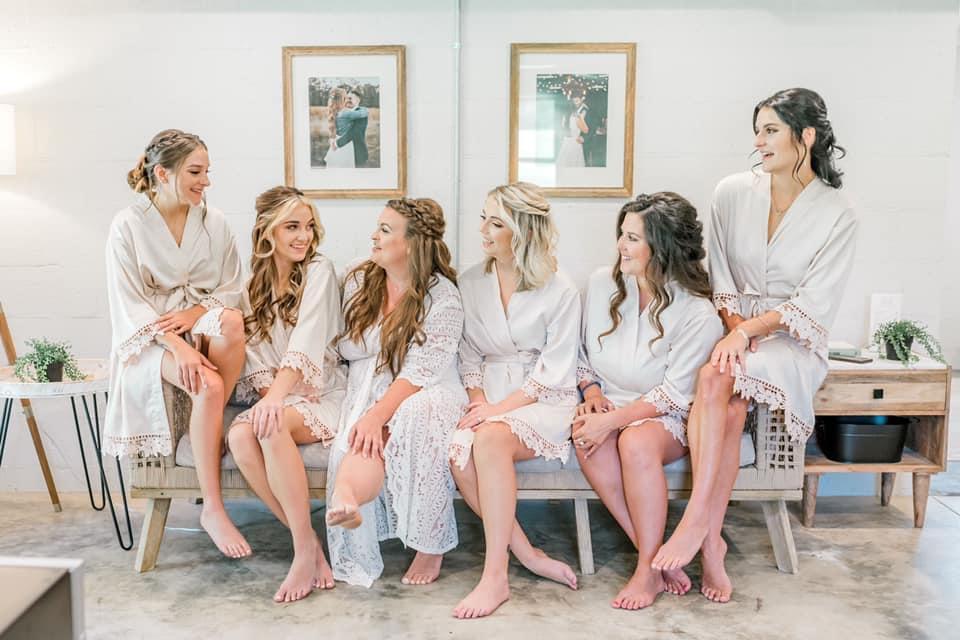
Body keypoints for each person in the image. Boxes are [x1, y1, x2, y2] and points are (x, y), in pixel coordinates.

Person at [651, 88, 858, 603]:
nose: (759, 141)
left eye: (771, 130)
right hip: (733, 325)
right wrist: (734, 326)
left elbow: (814, 303)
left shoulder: (838, 213)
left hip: (791, 339)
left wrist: (748, 333)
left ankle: (696, 522)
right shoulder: (732, 192)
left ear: (805, 136)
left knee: (714, 376)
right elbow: (720, 272)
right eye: (757, 131)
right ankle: (712, 544)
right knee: (728, 399)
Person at [104, 129, 249, 558]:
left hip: (198, 321)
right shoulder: (127, 225)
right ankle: (213, 510)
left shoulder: (214, 222)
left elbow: (232, 287)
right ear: (163, 174)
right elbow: (129, 304)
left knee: (233, 322)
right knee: (210, 385)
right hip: (152, 337)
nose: (206, 181)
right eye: (195, 172)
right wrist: (177, 344)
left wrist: (195, 314)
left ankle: (207, 425)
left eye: (207, 172)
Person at [574, 193, 722, 610]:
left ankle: (644, 571)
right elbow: (580, 353)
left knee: (635, 441)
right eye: (622, 234)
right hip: (611, 401)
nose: (621, 245)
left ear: (664, 246)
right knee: (585, 434)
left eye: (633, 238)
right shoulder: (602, 284)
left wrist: (615, 421)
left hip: (666, 413)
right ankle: (655, 558)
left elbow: (675, 393)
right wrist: (592, 393)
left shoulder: (697, 313)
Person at [450, 182, 580, 620]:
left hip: (544, 396)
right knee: (458, 455)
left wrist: (497, 411)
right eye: (483, 219)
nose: (483, 231)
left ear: (522, 232)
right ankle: (527, 553)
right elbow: (468, 353)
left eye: (496, 224)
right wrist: (478, 400)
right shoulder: (471, 281)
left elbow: (556, 368)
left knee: (488, 439)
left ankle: (495, 576)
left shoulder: (560, 288)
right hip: (488, 391)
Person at [324, 197, 466, 589]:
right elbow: (342, 344)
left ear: (412, 243)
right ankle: (347, 500)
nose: (374, 235)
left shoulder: (442, 297)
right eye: (378, 227)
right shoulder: (359, 280)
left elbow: (420, 371)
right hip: (369, 381)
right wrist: (369, 413)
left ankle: (430, 544)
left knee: (403, 422)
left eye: (385, 230)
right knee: (362, 440)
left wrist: (377, 415)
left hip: (426, 385)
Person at [226, 186, 346, 603]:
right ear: (267, 230)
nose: (303, 236)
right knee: (239, 436)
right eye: (292, 227)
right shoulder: (250, 285)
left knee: (271, 426)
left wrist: (275, 400)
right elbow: (254, 353)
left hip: (320, 391)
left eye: (308, 226)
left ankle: (301, 554)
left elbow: (307, 342)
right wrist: (269, 394)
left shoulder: (320, 270)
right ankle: (308, 542)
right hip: (280, 392)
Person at [556, 82, 589, 169]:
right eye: (575, 101)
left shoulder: (568, 114)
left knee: (565, 163)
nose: (576, 103)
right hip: (573, 141)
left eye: (577, 101)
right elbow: (585, 129)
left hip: (569, 141)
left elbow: (563, 127)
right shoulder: (578, 114)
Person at [334, 88, 369, 168]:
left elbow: (355, 132)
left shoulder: (361, 113)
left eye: (350, 98)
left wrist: (337, 143)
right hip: (342, 151)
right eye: (346, 98)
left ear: (358, 100)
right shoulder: (343, 111)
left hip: (356, 152)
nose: (347, 100)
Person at [323, 88, 355, 168]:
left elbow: (332, 132)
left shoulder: (332, 112)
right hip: (346, 144)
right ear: (343, 99)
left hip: (334, 143)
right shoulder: (348, 113)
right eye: (346, 97)